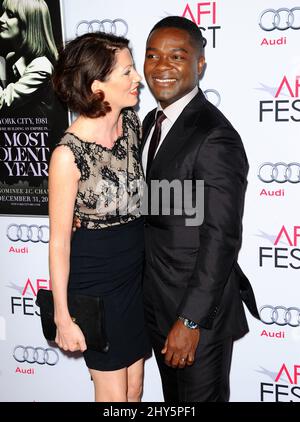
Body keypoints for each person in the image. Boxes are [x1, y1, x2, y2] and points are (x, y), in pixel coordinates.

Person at [141, 16, 259, 402]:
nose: (162, 66)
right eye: (153, 55)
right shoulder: (150, 124)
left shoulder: (214, 135)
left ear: (200, 65)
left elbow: (221, 237)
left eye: (177, 56)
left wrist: (190, 320)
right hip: (155, 306)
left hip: (196, 318)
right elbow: (160, 209)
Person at [49, 31, 150, 402]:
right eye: (127, 72)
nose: (137, 78)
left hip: (136, 277)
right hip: (97, 283)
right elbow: (59, 242)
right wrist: (63, 315)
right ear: (97, 86)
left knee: (135, 388)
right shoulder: (67, 155)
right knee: (113, 397)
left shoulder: (135, 127)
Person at [0, 0, 58, 115]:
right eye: (3, 12)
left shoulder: (42, 66)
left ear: (28, 23)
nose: (1, 19)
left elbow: (3, 102)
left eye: (10, 15)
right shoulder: (11, 58)